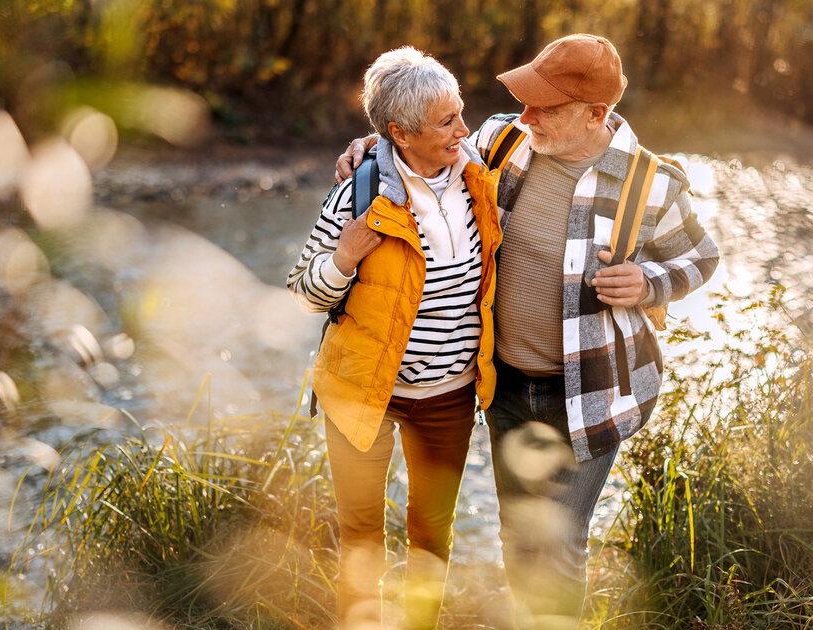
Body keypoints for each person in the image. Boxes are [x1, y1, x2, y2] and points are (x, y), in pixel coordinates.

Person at [337, 34, 720, 628]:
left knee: (559, 545)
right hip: (507, 388)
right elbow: (422, 151)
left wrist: (649, 283)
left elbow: (701, 258)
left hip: (593, 393)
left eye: (545, 107)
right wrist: (374, 149)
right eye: (525, 100)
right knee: (519, 536)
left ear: (596, 113)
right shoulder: (501, 141)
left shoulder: (653, 183)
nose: (526, 115)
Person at [287, 46, 502, 630]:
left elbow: (560, 122)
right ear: (400, 134)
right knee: (360, 538)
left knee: (432, 537)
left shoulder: (480, 173)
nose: (464, 130)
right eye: (446, 122)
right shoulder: (356, 194)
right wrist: (343, 260)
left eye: (461, 113)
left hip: (449, 396)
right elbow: (304, 290)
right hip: (362, 392)